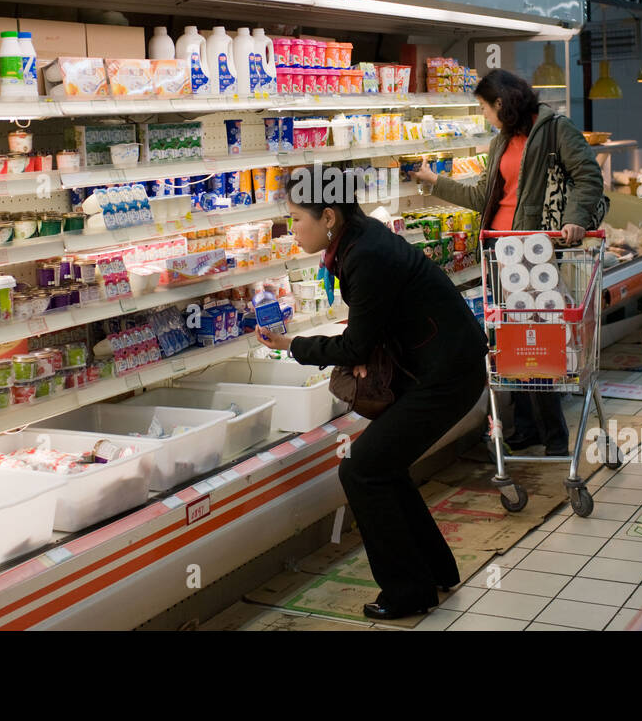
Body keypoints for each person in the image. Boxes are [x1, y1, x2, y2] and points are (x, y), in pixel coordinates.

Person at [255, 164, 489, 620]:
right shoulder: (360, 241)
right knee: (382, 465)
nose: (291, 230)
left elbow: (357, 343)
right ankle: (435, 570)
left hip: (446, 374)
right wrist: (359, 344)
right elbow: (372, 326)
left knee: (362, 470)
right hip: (442, 364)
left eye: (296, 219)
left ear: (328, 217)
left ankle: (407, 591)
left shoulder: (364, 255)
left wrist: (293, 345)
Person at [412, 69, 605, 457]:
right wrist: (434, 180)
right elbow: (485, 195)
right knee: (512, 343)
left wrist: (575, 218)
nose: (484, 115)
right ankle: (527, 428)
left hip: (535, 252)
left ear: (500, 103)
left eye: (484, 107)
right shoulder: (501, 141)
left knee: (540, 340)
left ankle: (555, 436)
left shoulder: (554, 129)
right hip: (499, 252)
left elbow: (588, 176)